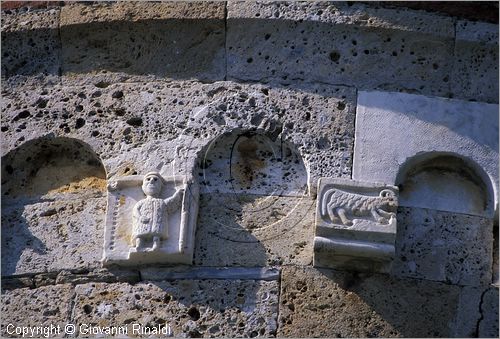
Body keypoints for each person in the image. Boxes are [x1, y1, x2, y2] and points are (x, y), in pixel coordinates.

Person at [131, 172, 184, 252]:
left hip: (157, 222)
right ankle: (139, 245)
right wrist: (140, 217)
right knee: (140, 234)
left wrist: (177, 195)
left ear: (160, 187)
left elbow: (171, 203)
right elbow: (136, 210)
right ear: (143, 187)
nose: (151, 181)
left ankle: (156, 245)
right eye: (148, 179)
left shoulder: (161, 202)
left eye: (155, 180)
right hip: (143, 222)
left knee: (157, 234)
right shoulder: (141, 202)